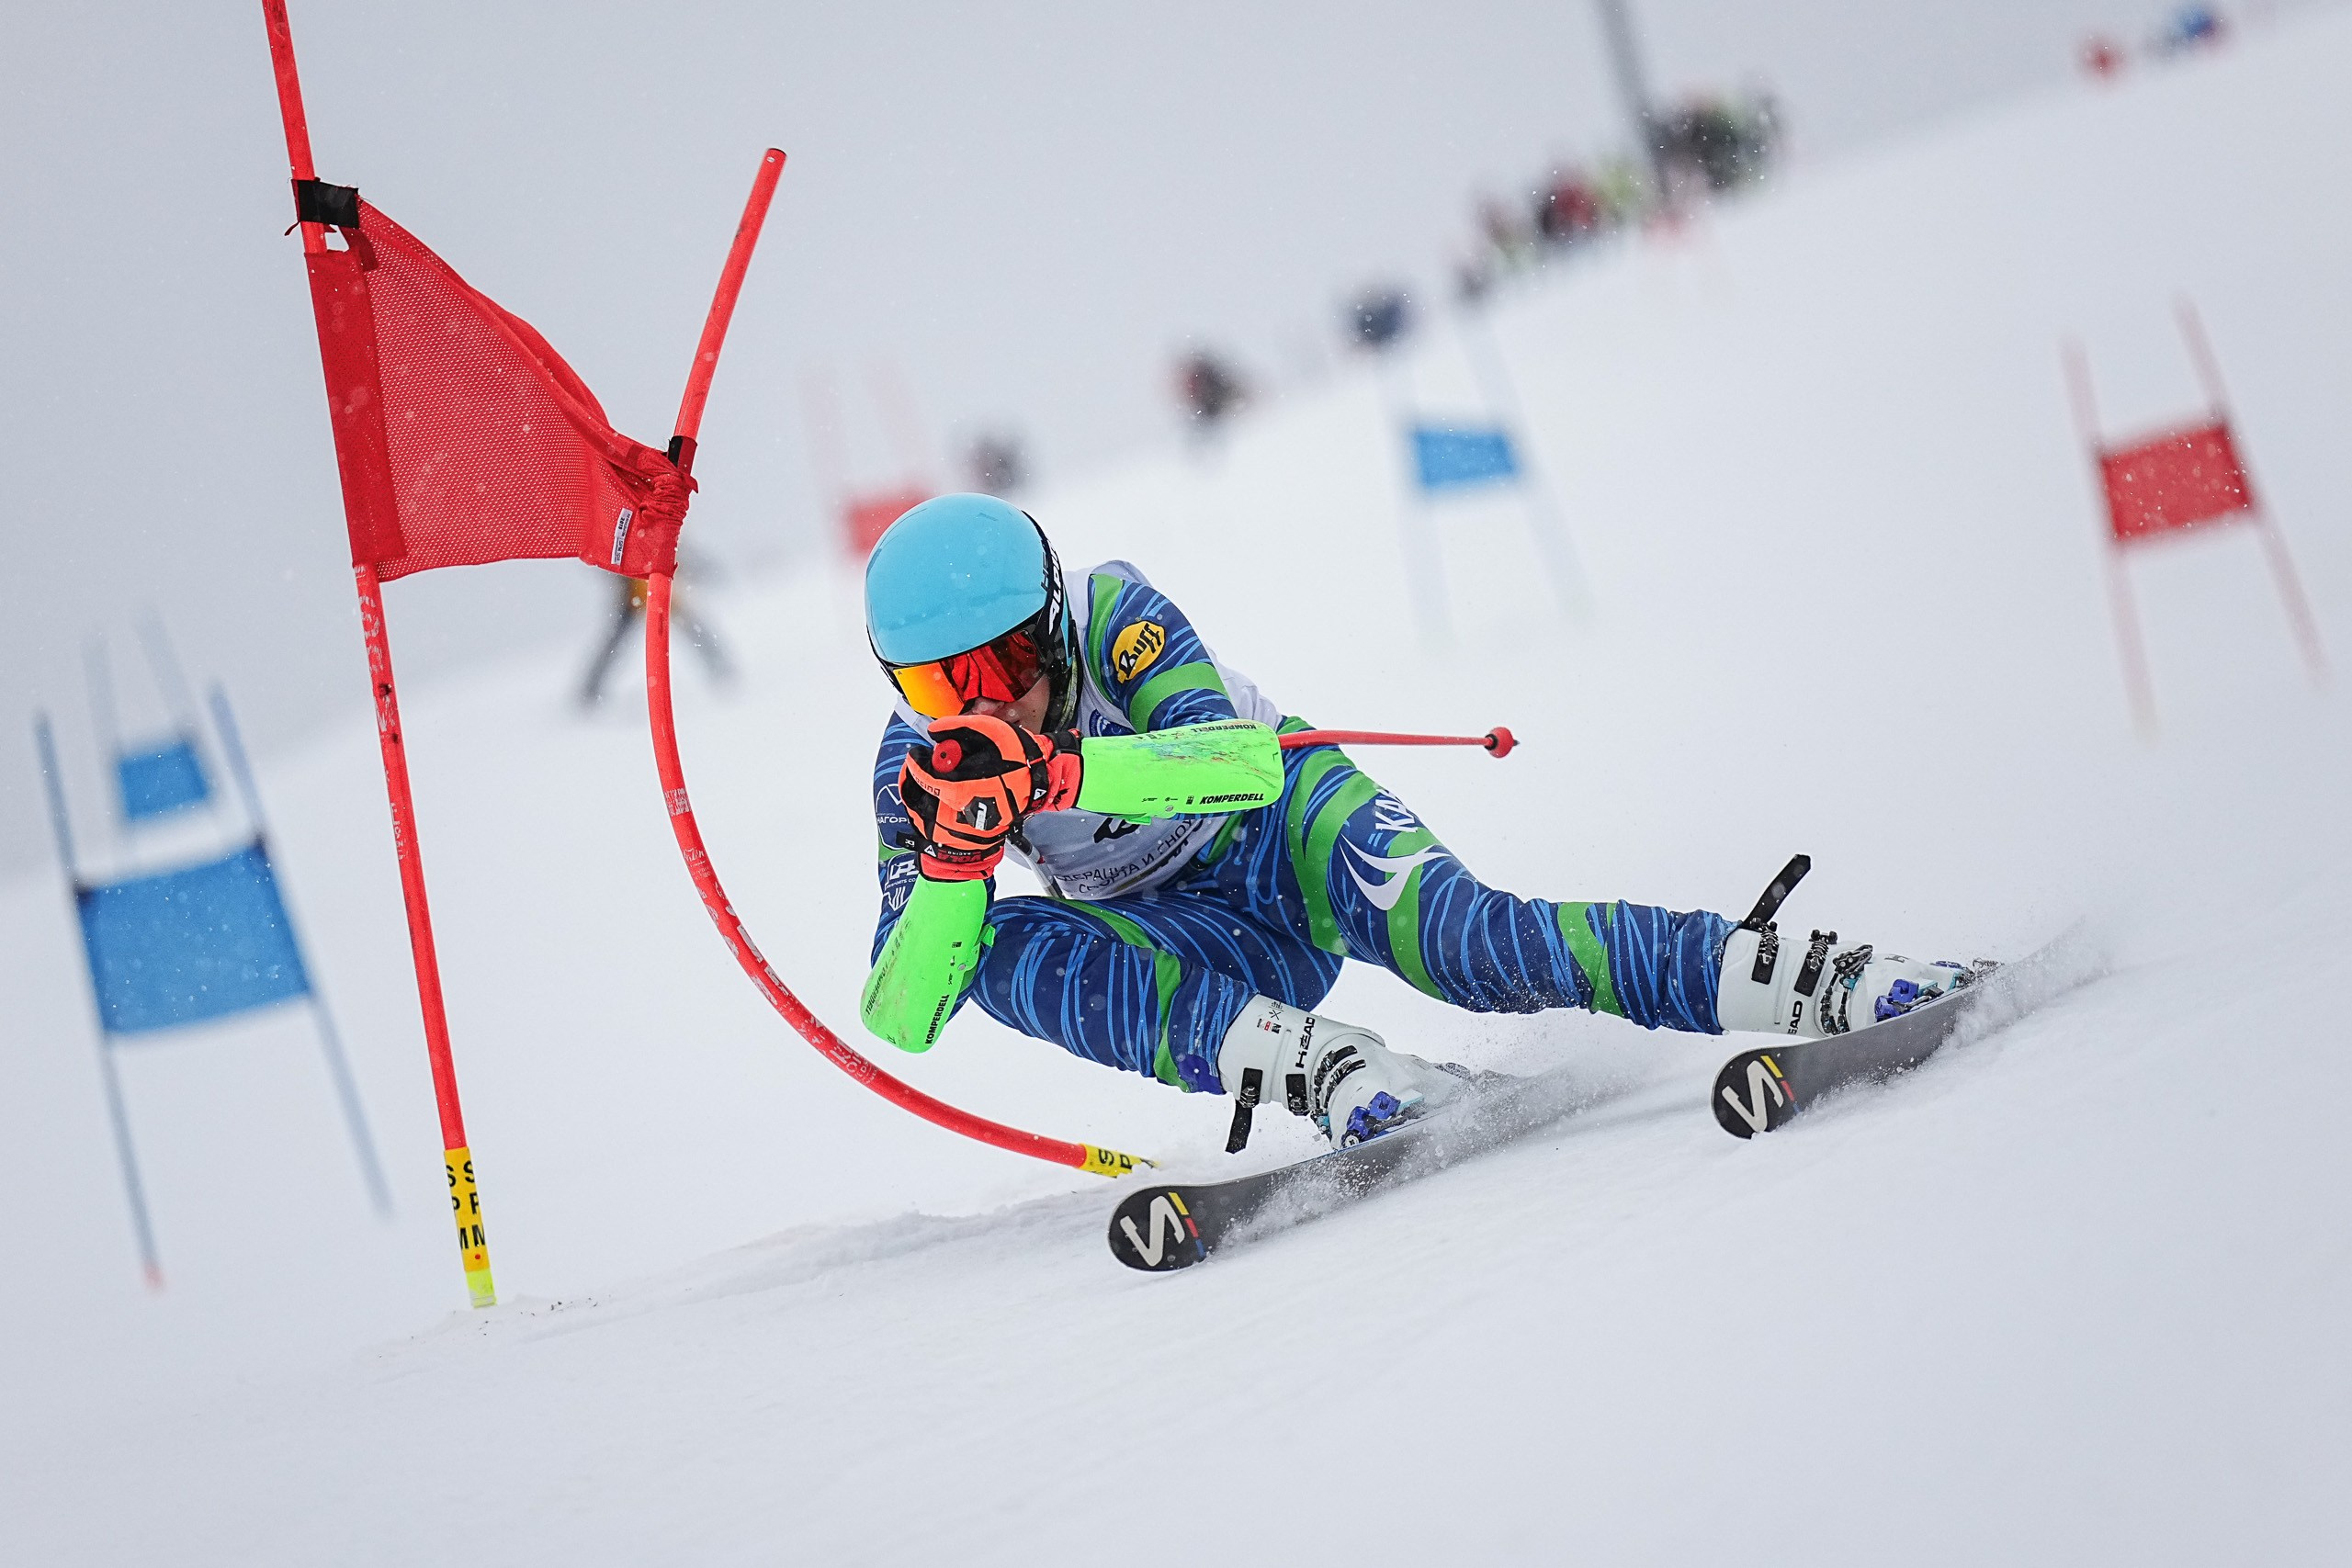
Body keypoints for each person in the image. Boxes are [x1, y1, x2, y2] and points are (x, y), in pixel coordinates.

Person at [858, 494, 1977, 1151]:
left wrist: (1058, 774)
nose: (985, 704)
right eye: (938, 684)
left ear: (1053, 622)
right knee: (992, 950)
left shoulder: (1116, 615)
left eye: (1006, 661)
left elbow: (1235, 764)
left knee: (1468, 948)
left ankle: (1811, 977)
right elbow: (902, 1015)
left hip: (1288, 833)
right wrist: (954, 863)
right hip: (1198, 938)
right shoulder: (918, 769)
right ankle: (1333, 1069)